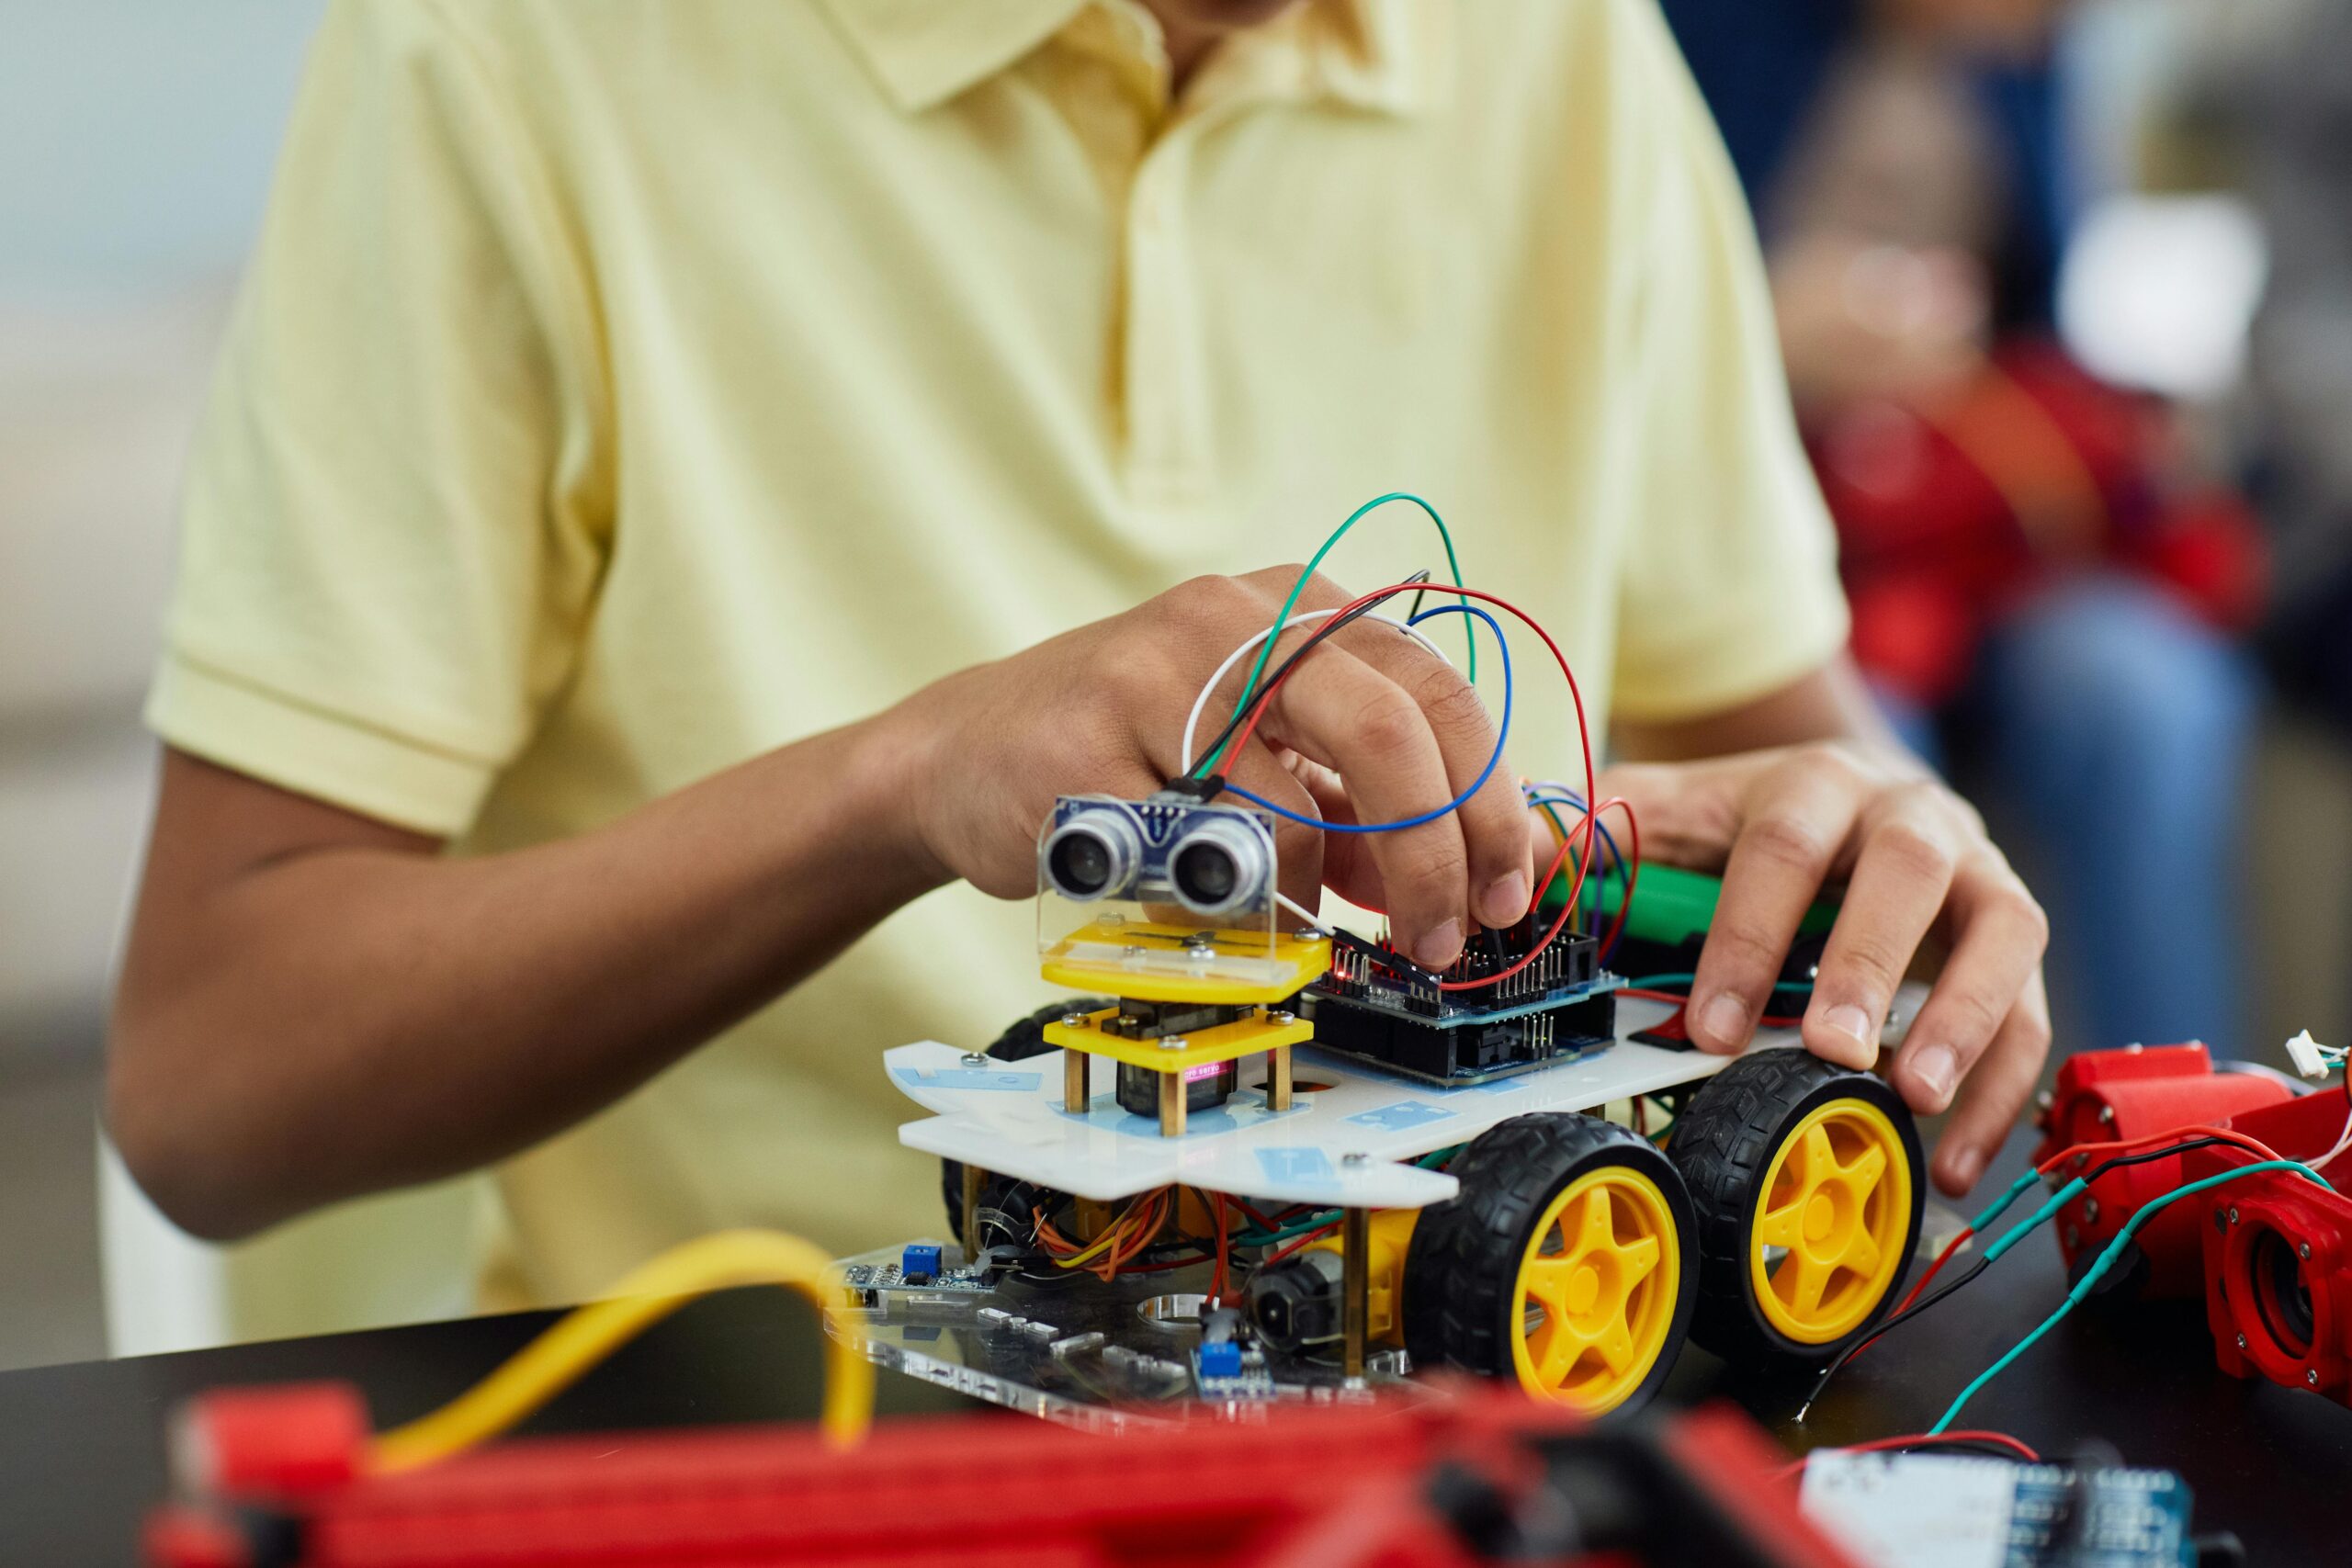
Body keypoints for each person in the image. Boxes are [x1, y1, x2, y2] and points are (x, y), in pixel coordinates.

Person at [106, 0, 2049, 1314]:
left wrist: (1888, 842)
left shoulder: (1559, 49)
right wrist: (894, 780)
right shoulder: (513, 57)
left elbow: (1786, 742)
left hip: (1423, 1413)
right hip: (753, 1414)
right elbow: (210, 1082)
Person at [1662, 0, 2261, 1058]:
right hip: (1772, 529)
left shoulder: (2019, 67)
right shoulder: (1697, 42)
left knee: (2147, 696)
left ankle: (2183, 1125)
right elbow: (1632, 329)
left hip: (1968, 538)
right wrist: (1771, 326)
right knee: (1867, 745)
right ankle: (1854, 1109)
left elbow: (2038, 330)